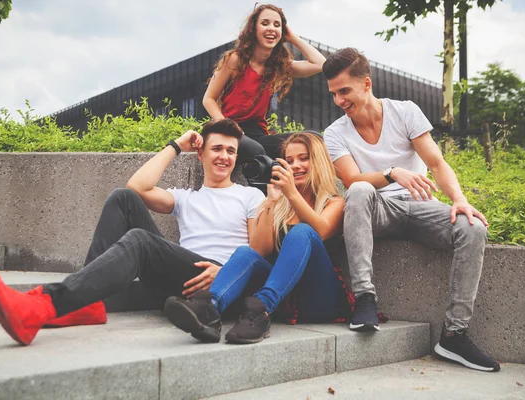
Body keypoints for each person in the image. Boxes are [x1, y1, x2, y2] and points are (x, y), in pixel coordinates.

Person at [0, 118, 265, 346]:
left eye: (231, 151)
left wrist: (226, 272)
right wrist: (176, 146)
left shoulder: (250, 197)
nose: (224, 157)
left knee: (140, 242)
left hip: (219, 284)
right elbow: (137, 187)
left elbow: (258, 252)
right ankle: (85, 305)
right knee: (122, 198)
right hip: (181, 277)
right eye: (217, 148)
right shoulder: (186, 198)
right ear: (200, 153)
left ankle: (45, 305)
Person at [321, 48, 500, 372]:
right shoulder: (335, 133)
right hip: (377, 208)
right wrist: (392, 173)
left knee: (473, 228)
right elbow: (350, 178)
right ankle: (365, 300)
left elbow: (436, 163)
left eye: (344, 91)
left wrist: (459, 200)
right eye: (333, 94)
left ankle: (454, 335)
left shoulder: (404, 112)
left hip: (420, 205)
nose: (338, 101)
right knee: (359, 190)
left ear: (366, 83)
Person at [164, 132, 353, 344]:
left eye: (304, 158)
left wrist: (292, 194)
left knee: (302, 232)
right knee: (245, 253)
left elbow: (321, 231)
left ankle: (260, 310)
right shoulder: (281, 204)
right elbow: (259, 250)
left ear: (318, 161)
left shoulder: (334, 202)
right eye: (289, 161)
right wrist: (272, 203)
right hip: (284, 299)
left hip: (319, 297)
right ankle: (209, 309)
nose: (296, 166)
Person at [203, 3, 326, 161]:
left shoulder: (277, 66)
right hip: (226, 130)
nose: (271, 28)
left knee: (314, 139)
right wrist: (227, 127)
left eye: (277, 25)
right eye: (265, 23)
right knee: (256, 150)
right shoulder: (235, 59)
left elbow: (320, 64)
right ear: (253, 29)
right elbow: (208, 99)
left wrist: (293, 37)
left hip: (258, 136)